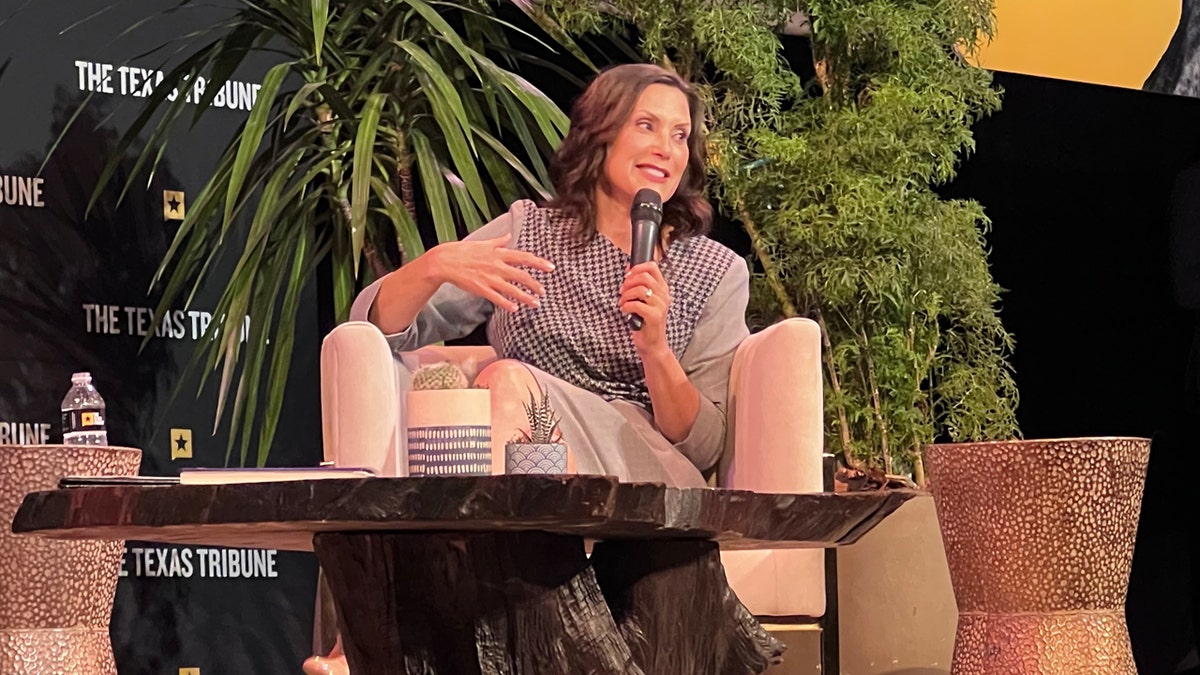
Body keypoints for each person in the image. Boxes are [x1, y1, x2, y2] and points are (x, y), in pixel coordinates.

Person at [303, 61, 752, 675]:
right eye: (647, 125)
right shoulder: (530, 231)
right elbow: (379, 329)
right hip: (524, 450)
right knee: (455, 424)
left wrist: (657, 352)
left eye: (680, 135)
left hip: (642, 464)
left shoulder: (713, 270)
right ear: (600, 133)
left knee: (507, 381)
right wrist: (432, 266)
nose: (665, 149)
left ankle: (372, 647)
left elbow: (702, 441)